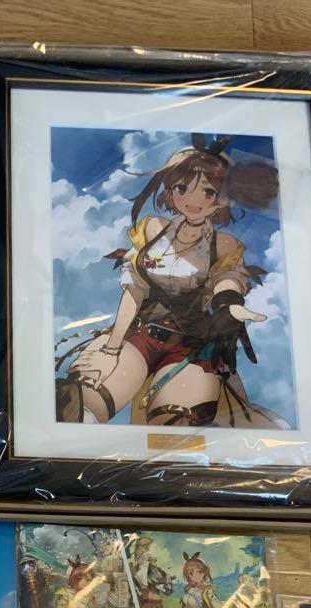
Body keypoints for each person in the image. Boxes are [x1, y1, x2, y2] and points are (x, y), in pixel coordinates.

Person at [58, 134, 284, 429]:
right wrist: (111, 348)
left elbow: (227, 279)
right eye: (182, 188)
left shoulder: (224, 245)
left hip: (192, 349)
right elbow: (134, 291)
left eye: (207, 192)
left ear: (222, 200)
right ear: (171, 189)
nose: (193, 200)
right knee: (83, 403)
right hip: (140, 336)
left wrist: (228, 305)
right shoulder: (153, 230)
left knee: (176, 422)